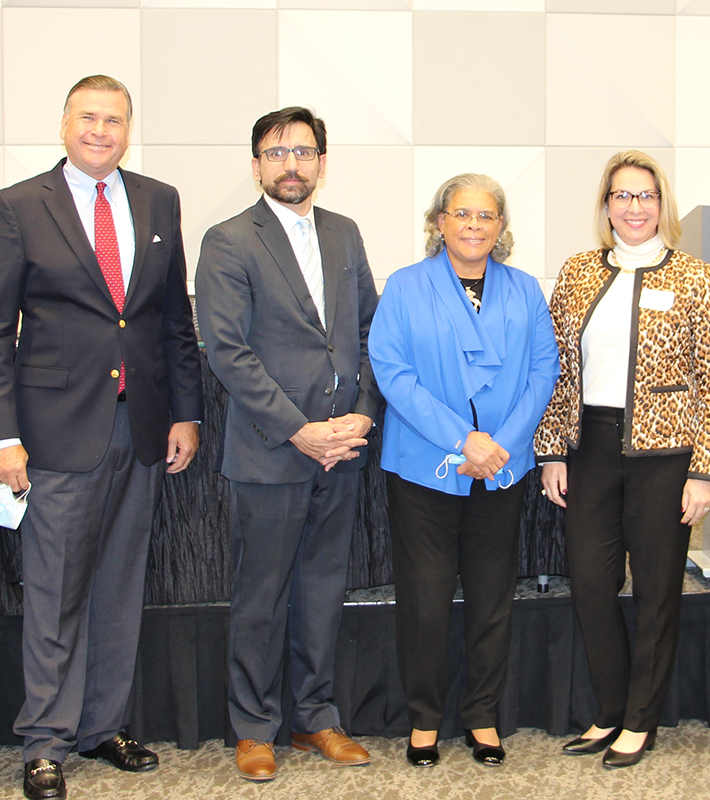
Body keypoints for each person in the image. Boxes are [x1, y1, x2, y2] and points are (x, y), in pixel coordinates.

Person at [0, 75, 203, 800]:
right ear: (64, 125)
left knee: (121, 582)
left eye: (114, 120)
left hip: (141, 424)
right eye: (88, 117)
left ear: (128, 128)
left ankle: (102, 725)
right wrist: (4, 438)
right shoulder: (21, 206)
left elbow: (171, 319)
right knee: (55, 591)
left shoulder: (158, 199)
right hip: (55, 432)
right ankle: (45, 740)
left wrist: (187, 412)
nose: (101, 131)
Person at [195, 107, 381, 781]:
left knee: (323, 589)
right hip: (272, 450)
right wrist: (300, 429)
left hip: (343, 450)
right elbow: (228, 352)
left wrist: (359, 417)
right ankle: (253, 727)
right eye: (276, 153)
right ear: (256, 165)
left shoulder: (344, 233)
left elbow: (368, 336)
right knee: (261, 594)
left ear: (322, 163)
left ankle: (315, 717)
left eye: (303, 152)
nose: (291, 165)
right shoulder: (228, 240)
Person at [536, 150, 710, 769]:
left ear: (662, 203)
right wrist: (550, 452)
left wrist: (706, 471)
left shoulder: (696, 277)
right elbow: (557, 368)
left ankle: (640, 720)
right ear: (606, 206)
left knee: (655, 591)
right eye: (622, 196)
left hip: (665, 453)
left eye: (645, 196)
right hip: (587, 446)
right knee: (591, 586)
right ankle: (610, 708)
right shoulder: (576, 272)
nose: (635, 208)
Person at [368, 174, 558, 768]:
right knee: (424, 597)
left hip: (502, 467)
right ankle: (424, 719)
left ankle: (482, 715)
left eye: (486, 215)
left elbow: (542, 370)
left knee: (491, 595)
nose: (474, 225)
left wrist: (498, 445)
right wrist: (462, 440)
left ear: (501, 227)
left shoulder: (525, 290)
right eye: (461, 214)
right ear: (439, 222)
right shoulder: (404, 286)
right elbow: (392, 372)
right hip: (425, 465)